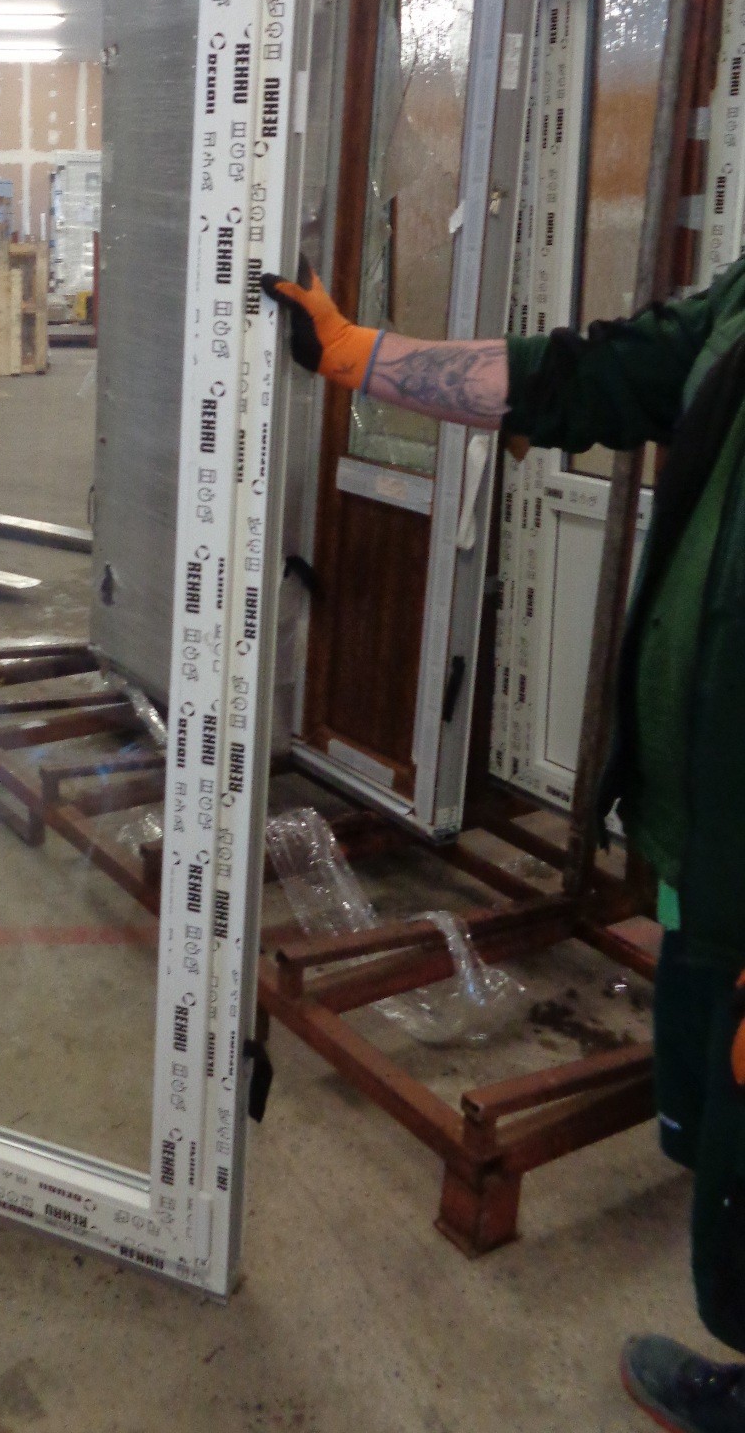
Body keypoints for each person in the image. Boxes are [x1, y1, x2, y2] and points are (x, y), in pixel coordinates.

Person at [262, 256, 745, 1433]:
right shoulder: (740, 307)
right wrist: (357, 356)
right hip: (707, 848)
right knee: (724, 1138)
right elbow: (580, 376)